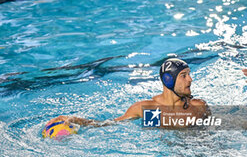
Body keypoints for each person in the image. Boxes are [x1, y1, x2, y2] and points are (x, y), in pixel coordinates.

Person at [44, 58, 210, 135]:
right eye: (184, 75)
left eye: (189, 74)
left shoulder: (198, 106)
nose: (190, 79)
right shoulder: (148, 110)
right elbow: (108, 125)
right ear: (168, 79)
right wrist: (76, 120)